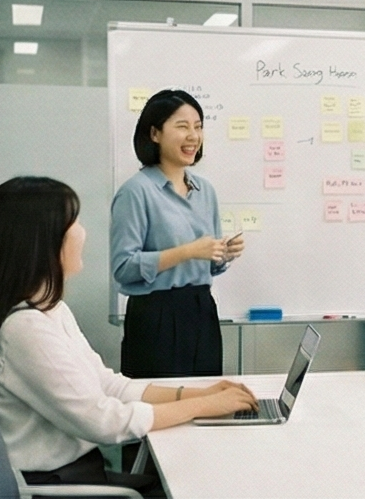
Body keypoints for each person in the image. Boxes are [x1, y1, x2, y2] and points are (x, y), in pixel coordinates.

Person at [0, 176, 258, 492]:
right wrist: (204, 407)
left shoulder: (51, 309)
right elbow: (105, 422)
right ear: (42, 242)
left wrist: (200, 394)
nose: (82, 232)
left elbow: (109, 385)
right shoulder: (25, 329)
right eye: (73, 223)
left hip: (83, 474)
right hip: (60, 485)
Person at [111, 89, 244, 378]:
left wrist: (223, 254)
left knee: (207, 396)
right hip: (155, 315)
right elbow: (123, 268)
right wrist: (188, 251)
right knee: (159, 401)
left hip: (201, 310)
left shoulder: (205, 190)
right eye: (182, 126)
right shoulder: (135, 191)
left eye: (198, 127)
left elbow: (209, 262)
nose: (193, 136)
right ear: (155, 133)